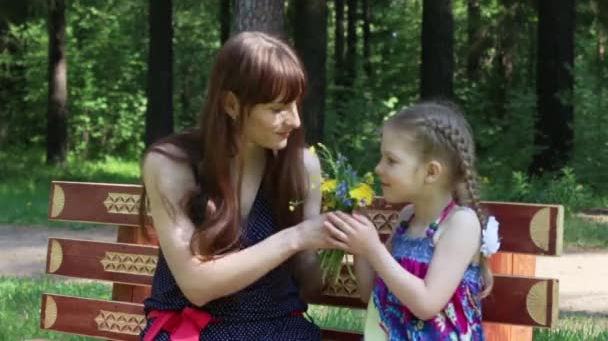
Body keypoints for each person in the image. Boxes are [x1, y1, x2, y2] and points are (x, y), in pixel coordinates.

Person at [139, 31, 341, 341]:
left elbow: (308, 284)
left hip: (281, 331)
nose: (295, 121)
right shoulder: (171, 164)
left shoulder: (300, 167)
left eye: (296, 104)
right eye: (277, 109)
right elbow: (197, 286)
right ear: (231, 104)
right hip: (198, 332)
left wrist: (348, 245)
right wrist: (297, 237)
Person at [325, 102, 497, 340]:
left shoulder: (461, 224)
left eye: (391, 160)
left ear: (431, 172)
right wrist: (360, 244)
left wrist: (374, 248)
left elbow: (427, 303)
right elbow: (370, 293)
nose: (378, 168)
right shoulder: (406, 219)